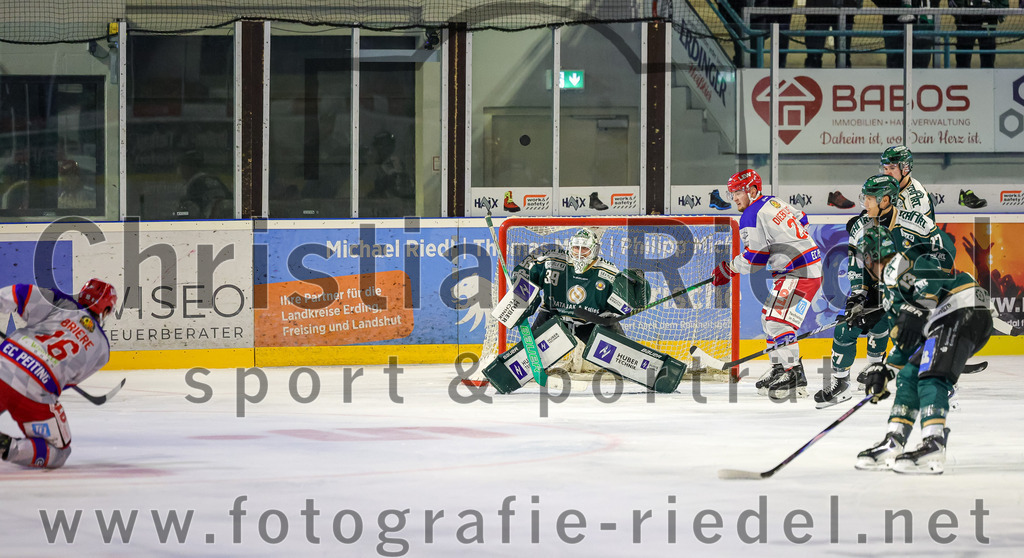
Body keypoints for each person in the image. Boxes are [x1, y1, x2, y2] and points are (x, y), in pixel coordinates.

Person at [851, 225, 992, 474]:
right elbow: (906, 342)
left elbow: (933, 275)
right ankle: (893, 441)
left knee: (931, 375)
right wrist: (887, 370)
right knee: (908, 376)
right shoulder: (890, 285)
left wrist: (918, 306)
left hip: (962, 308)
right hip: (951, 318)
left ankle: (934, 444)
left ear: (869, 256)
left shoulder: (901, 262)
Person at [712, 169, 823, 400]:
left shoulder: (751, 214)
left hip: (799, 271)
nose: (734, 198)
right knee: (768, 318)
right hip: (799, 267)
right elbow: (802, 218)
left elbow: (756, 258)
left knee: (777, 322)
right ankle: (780, 367)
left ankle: (795, 376)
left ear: (752, 190)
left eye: (738, 192)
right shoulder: (772, 201)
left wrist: (729, 268)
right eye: (731, 193)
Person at [0, 279, 116, 469]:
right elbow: (67, 381)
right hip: (35, 390)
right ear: (106, 311)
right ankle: (8, 447)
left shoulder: (61, 303)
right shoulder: (102, 351)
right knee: (59, 451)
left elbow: (19, 292)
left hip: (4, 363)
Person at [814, 174, 897, 408]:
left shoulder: (907, 225)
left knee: (900, 331)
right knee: (847, 326)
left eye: (870, 198)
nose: (865, 203)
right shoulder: (862, 225)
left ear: (886, 200)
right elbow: (856, 261)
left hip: (901, 289)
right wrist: (859, 293)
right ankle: (842, 384)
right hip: (874, 288)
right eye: (865, 197)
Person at [512, 228, 651, 347]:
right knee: (525, 359)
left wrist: (633, 298)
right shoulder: (551, 261)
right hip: (554, 316)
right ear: (570, 247)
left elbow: (621, 306)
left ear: (594, 250)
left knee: (623, 357)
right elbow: (528, 271)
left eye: (584, 248)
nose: (579, 252)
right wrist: (520, 279)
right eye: (576, 248)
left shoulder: (608, 271)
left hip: (593, 322)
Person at [879, 145, 934, 221]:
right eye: (885, 168)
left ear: (905, 168)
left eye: (892, 168)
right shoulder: (893, 187)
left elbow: (915, 232)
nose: (887, 173)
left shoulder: (914, 203)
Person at [175, 150, 232, 219]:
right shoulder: (214, 178)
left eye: (181, 166)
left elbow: (187, 214)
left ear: (188, 168)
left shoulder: (194, 184)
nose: (179, 169)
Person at [804, 0, 860, 68]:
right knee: (813, 57)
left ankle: (844, 74)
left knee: (844, 56)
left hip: (843, 12)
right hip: (817, 14)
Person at [951, 0, 1006, 69]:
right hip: (965, 22)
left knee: (988, 59)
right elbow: (953, 3)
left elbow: (1004, 3)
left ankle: (987, 77)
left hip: (988, 23)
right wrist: (958, 14)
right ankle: (962, 78)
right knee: (963, 59)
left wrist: (1001, 14)